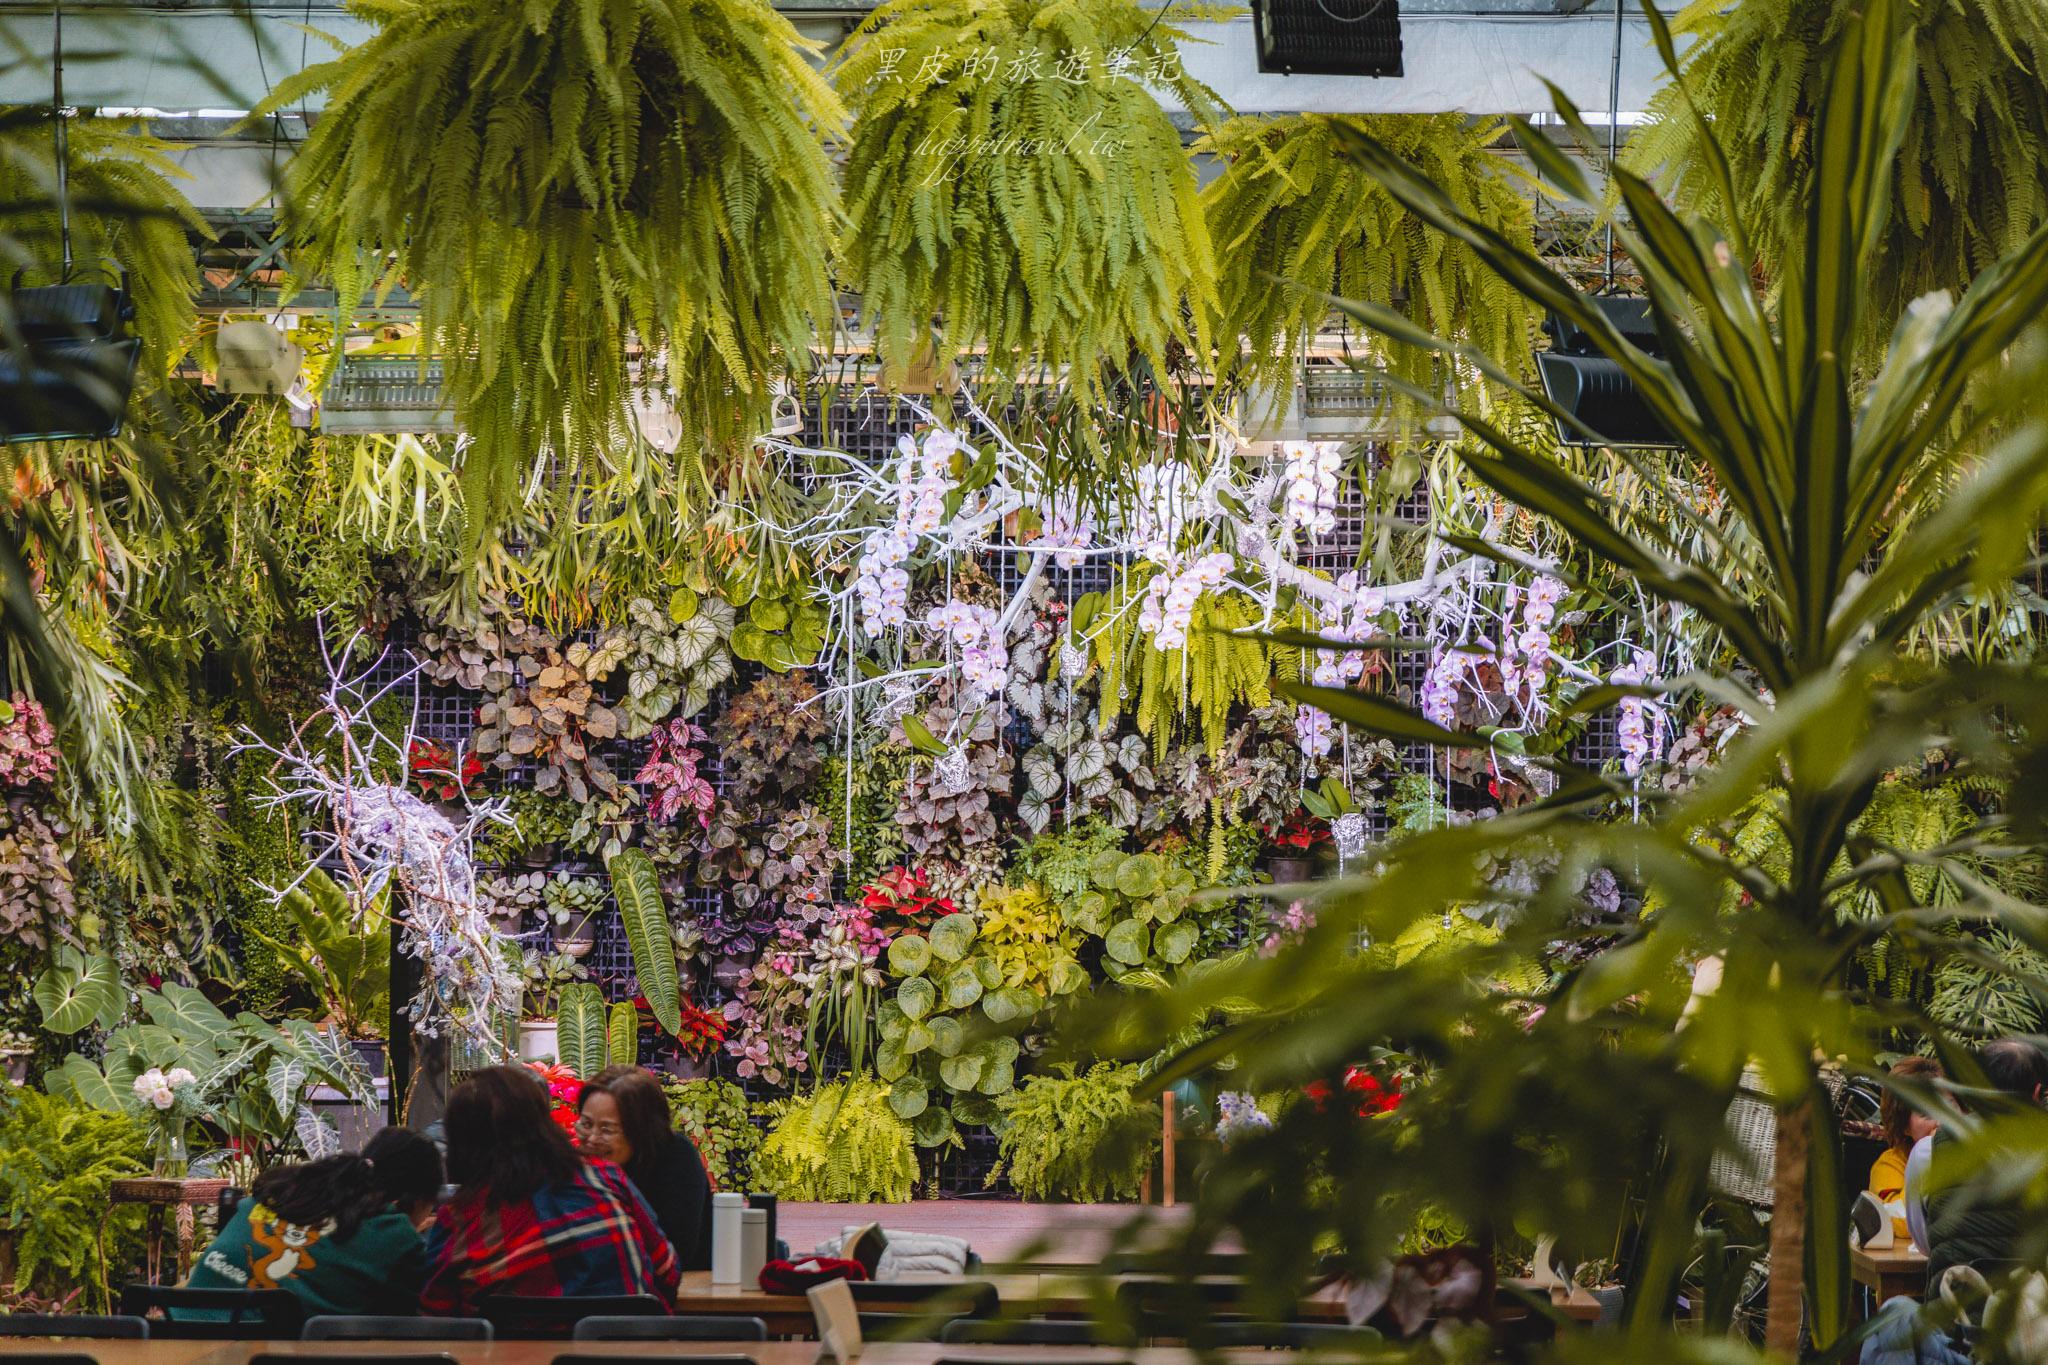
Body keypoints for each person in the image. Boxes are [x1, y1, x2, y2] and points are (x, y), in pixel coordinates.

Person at [421, 1065, 679, 1316]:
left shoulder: (459, 1219)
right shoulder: (605, 1177)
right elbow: (667, 1271)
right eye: (586, 1123)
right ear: (541, 1121)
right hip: (625, 1350)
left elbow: (436, 1314)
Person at [1862, 1039, 2048, 1365]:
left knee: (1894, 1316)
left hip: (1954, 1333)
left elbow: (1926, 1242)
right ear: (2035, 1094)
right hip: (2029, 1336)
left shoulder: (1927, 1152)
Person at [182, 1126, 444, 1318]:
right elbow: (402, 1327)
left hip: (176, 1334)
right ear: (415, 1199)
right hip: (263, 1354)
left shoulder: (280, 1192)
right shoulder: (395, 1236)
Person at [576, 1065, 714, 1271]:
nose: (592, 1138)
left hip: (683, 1292)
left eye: (607, 1129)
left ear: (641, 1130)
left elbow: (678, 1251)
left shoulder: (677, 1155)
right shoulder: (581, 1166)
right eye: (586, 1124)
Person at [1869, 1056, 1943, 1243]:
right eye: (1926, 1114)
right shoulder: (1890, 1165)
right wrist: (1929, 1156)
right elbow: (1901, 1221)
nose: (1940, 1122)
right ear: (1904, 1126)